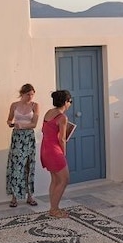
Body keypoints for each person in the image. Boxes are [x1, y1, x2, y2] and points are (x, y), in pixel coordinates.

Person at [6, 83, 39, 207]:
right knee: (16, 166)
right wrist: (11, 123)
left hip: (28, 137)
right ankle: (14, 197)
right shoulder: (14, 105)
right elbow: (9, 119)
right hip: (17, 137)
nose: (30, 97)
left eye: (32, 94)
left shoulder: (35, 106)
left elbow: (34, 124)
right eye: (28, 94)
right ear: (22, 94)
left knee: (29, 165)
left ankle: (30, 196)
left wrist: (22, 125)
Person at [41, 89, 73, 218]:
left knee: (55, 179)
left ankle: (53, 208)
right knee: (64, 179)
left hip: (45, 148)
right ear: (65, 102)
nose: (70, 104)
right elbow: (62, 139)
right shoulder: (62, 117)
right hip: (54, 150)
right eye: (70, 101)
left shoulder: (49, 112)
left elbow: (46, 130)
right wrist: (63, 152)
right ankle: (54, 209)